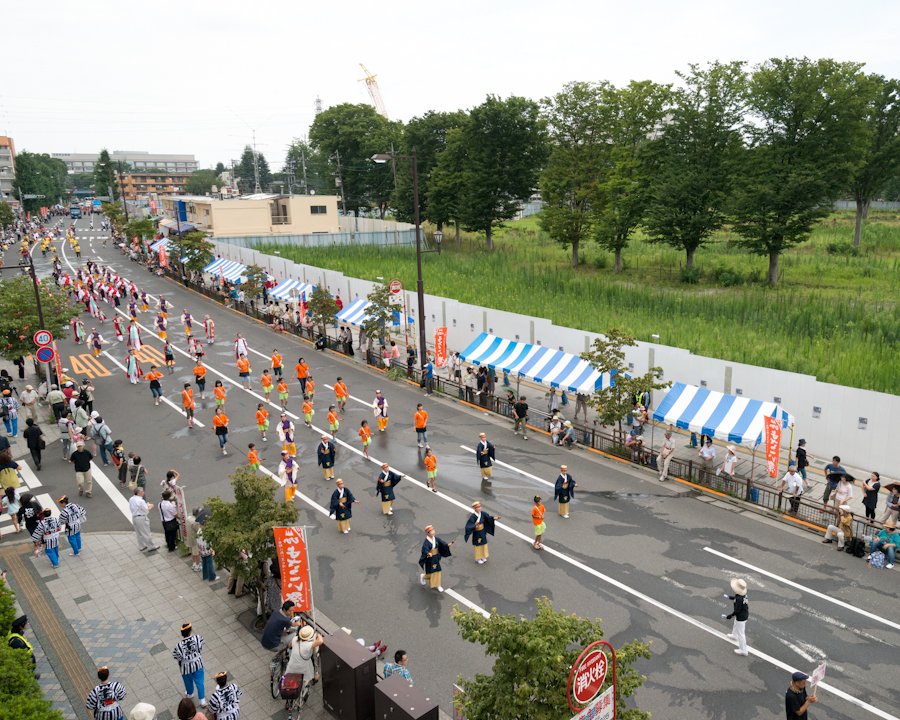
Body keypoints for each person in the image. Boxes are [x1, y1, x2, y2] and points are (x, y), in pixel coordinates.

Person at [173, 623, 206, 707]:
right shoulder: (197, 638)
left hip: (185, 667)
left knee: (188, 681)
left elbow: (176, 656)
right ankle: (202, 700)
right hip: (198, 664)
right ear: (190, 631)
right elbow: (201, 647)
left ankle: (190, 694)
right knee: (199, 682)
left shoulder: (179, 646)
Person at [418, 525, 453, 593]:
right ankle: (426, 578)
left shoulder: (436, 539)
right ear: (428, 533)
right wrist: (428, 553)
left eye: (433, 530)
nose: (433, 532)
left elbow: (442, 543)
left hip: (436, 557)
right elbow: (425, 550)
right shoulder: (426, 542)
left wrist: (447, 545)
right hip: (430, 558)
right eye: (431, 531)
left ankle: (436, 584)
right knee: (431, 572)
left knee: (437, 570)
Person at [723, 578, 749, 656]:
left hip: (741, 617)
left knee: (741, 634)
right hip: (744, 614)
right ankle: (734, 635)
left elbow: (737, 611)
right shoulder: (743, 595)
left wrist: (730, 616)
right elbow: (737, 598)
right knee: (736, 624)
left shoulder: (739, 599)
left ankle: (743, 650)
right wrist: (730, 597)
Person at [129, 487, 158, 552]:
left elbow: (138, 507)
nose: (143, 492)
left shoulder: (131, 499)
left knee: (138, 533)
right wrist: (150, 506)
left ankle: (142, 546)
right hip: (141, 518)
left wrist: (145, 505)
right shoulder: (141, 501)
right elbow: (145, 511)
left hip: (134, 517)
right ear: (139, 493)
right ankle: (151, 546)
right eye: (142, 492)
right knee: (146, 532)